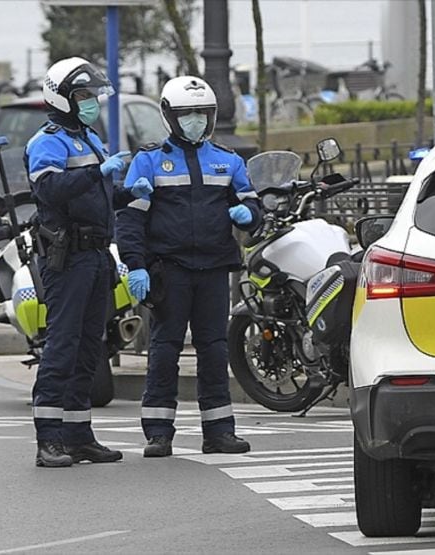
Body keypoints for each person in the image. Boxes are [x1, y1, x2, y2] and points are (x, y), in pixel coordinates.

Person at [116, 76, 261, 457]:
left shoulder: (229, 161)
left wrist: (249, 215)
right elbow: (130, 220)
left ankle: (219, 432)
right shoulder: (147, 161)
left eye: (202, 113)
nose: (196, 120)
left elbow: (255, 209)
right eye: (187, 114)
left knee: (214, 349)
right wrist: (136, 266)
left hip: (214, 268)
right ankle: (159, 432)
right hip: (170, 269)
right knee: (165, 348)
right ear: (169, 117)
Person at [24, 57, 132, 467]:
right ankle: (48, 440)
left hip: (96, 255)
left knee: (91, 348)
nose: (91, 103)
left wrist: (126, 192)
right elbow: (51, 189)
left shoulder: (88, 137)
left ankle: (79, 435)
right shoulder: (47, 141)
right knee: (62, 347)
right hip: (67, 258)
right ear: (62, 98)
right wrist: (97, 173)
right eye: (84, 96)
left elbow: (97, 195)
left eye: (92, 96)